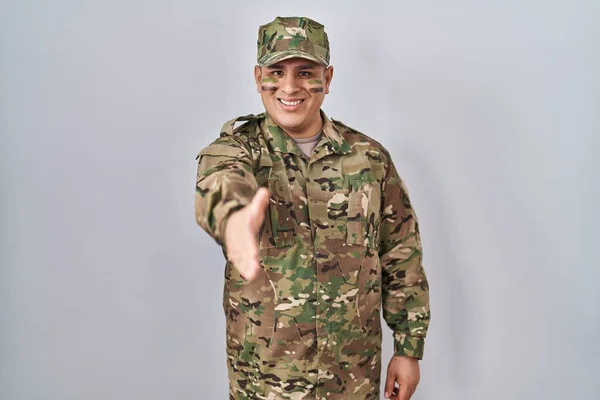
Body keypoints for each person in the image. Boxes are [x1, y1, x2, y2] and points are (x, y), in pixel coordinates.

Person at [194, 16, 430, 400]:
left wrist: (408, 347)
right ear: (258, 79)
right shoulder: (238, 150)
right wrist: (235, 220)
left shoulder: (368, 159)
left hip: (353, 378)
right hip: (266, 382)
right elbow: (221, 182)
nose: (290, 87)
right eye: (276, 71)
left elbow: (401, 251)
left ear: (328, 78)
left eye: (306, 72)